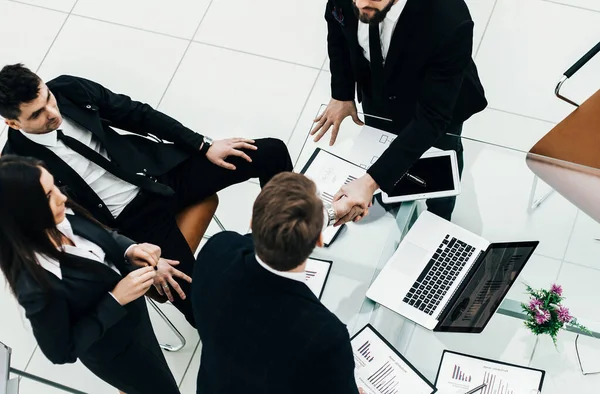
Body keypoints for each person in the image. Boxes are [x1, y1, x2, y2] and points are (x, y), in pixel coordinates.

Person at [0, 63, 295, 327]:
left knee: (271, 152)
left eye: (47, 98)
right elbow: (67, 229)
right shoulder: (18, 167)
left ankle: (285, 243)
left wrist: (203, 145)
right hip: (133, 224)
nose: (53, 113)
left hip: (159, 174)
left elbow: (137, 114)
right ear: (12, 123)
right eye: (37, 114)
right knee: (198, 304)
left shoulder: (67, 88)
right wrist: (129, 254)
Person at [0, 155, 181, 394]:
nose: (62, 197)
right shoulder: (36, 286)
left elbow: (99, 235)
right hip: (116, 351)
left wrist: (130, 248)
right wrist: (116, 299)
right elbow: (61, 351)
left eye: (54, 186)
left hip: (134, 320)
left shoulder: (59, 212)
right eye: (47, 195)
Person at [312, 0, 488, 221]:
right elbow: (337, 29)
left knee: (441, 165)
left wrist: (369, 182)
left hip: (434, 101)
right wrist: (342, 93)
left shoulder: (449, 18)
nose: (362, 4)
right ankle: (390, 195)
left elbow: (431, 118)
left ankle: (440, 212)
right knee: (381, 147)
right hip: (376, 91)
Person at [192, 172, 362, 394]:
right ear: (319, 240)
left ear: (252, 222)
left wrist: (331, 213)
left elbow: (244, 241)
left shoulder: (216, 249)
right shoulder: (326, 336)